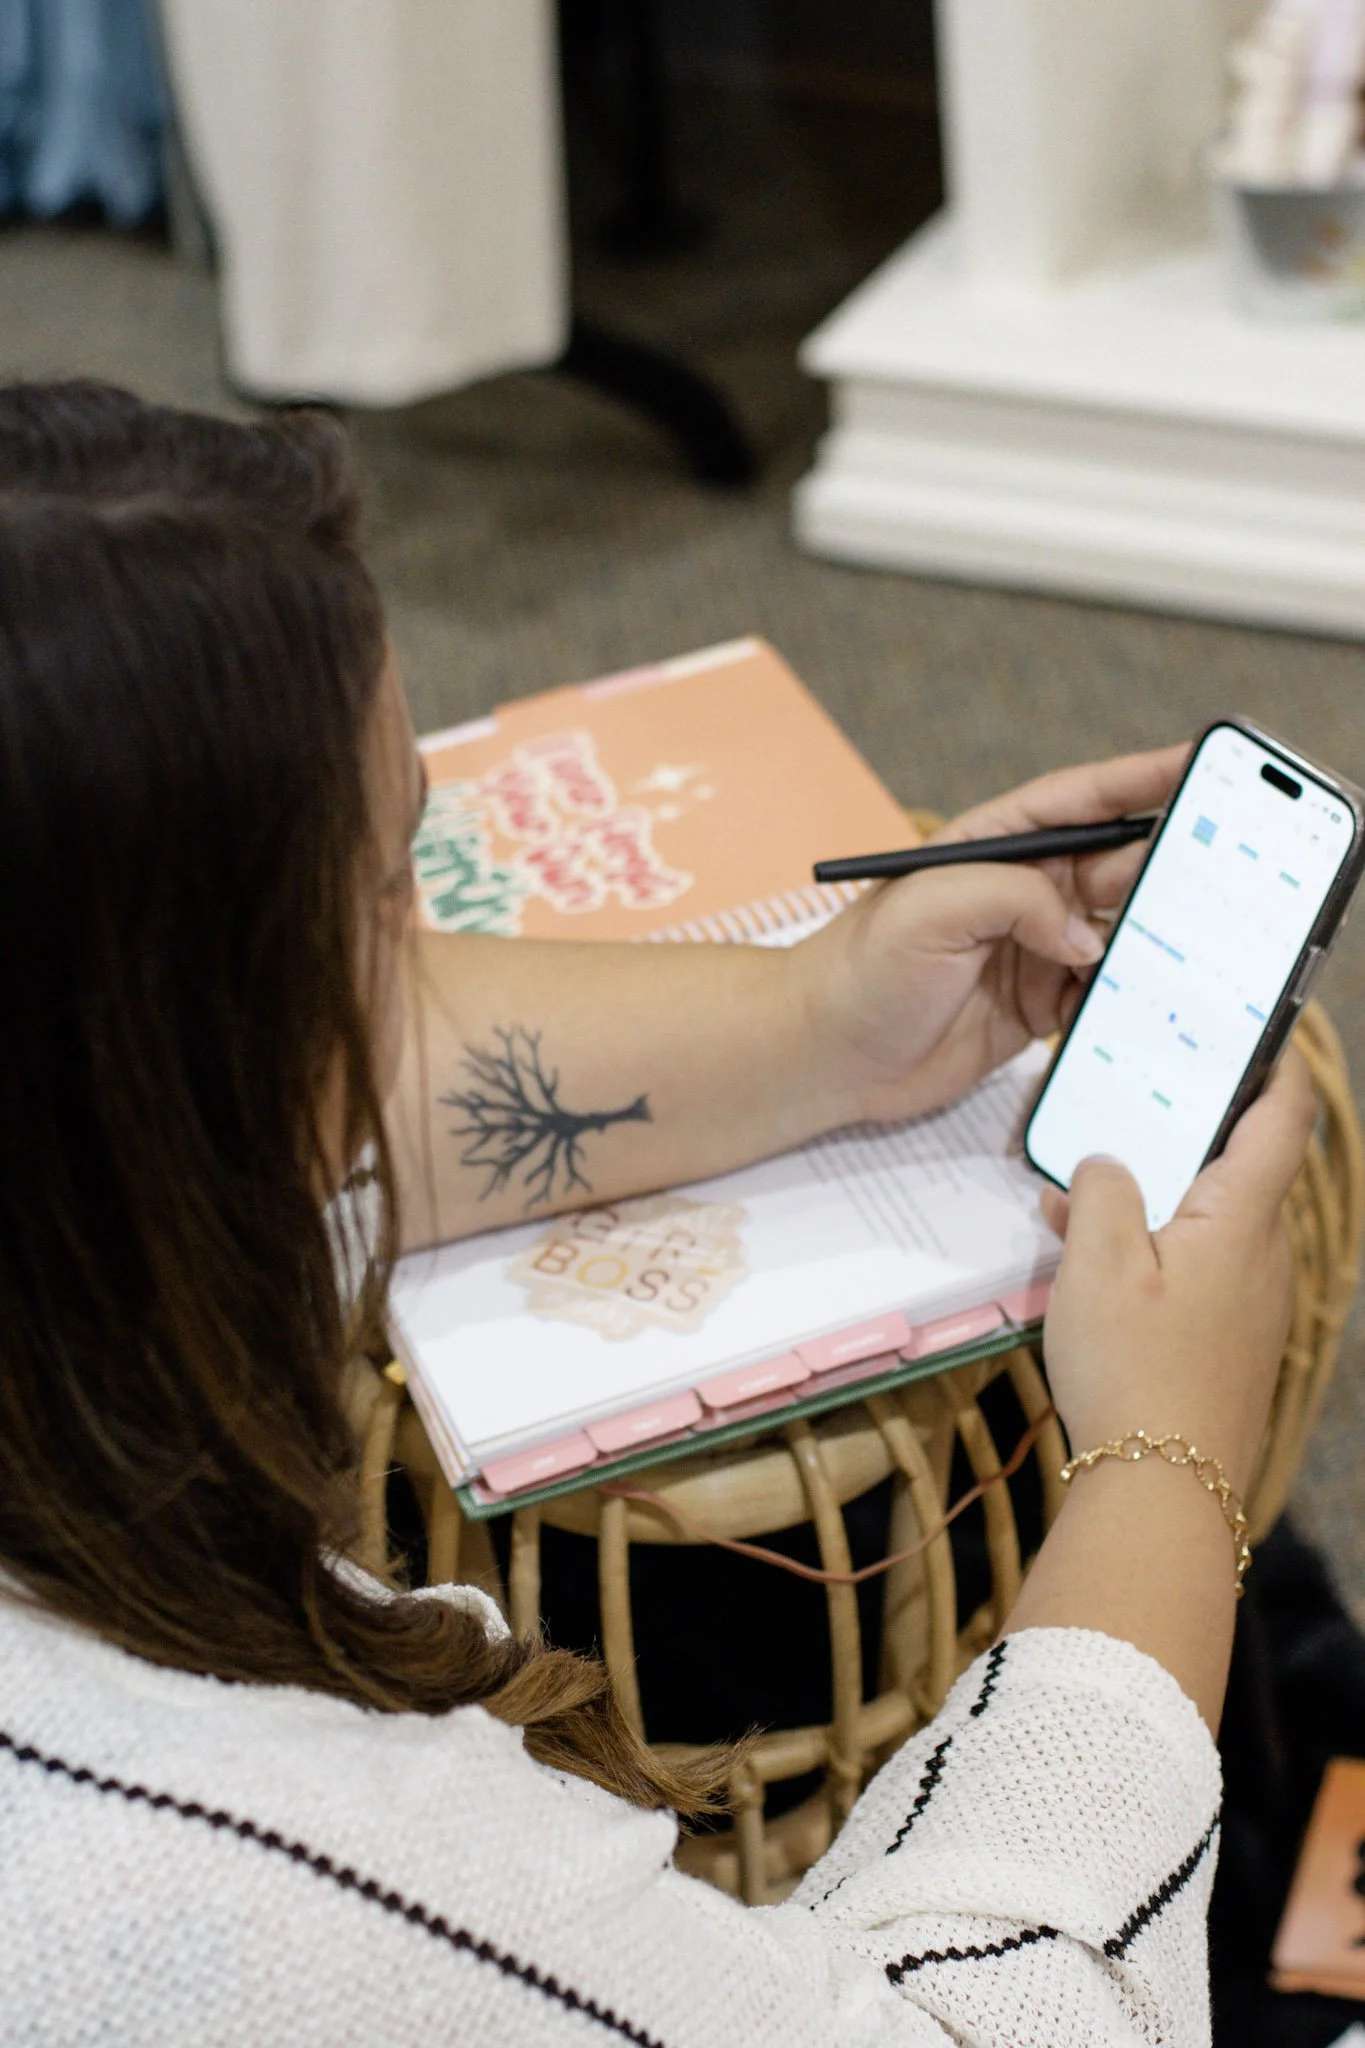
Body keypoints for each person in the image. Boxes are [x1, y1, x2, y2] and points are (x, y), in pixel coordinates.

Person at [0, 381, 1315, 2046]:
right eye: (394, 886)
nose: (424, 955)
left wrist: (815, 1024)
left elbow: (314, 1072)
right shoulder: (254, 1874)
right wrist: (1167, 1460)